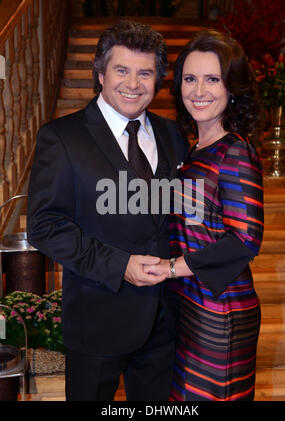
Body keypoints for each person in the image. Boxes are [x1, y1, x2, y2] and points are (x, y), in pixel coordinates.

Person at [26, 20, 188, 401]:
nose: (133, 84)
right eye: (121, 70)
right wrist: (120, 265)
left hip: (165, 321)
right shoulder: (61, 137)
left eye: (144, 73)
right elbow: (44, 226)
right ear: (100, 74)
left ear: (157, 79)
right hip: (97, 319)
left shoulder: (172, 135)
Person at [144, 28, 264, 401]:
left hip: (220, 310)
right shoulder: (197, 149)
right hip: (191, 303)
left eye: (213, 79)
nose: (199, 91)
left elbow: (245, 239)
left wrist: (171, 267)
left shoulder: (235, 151)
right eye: (190, 79)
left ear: (232, 88)